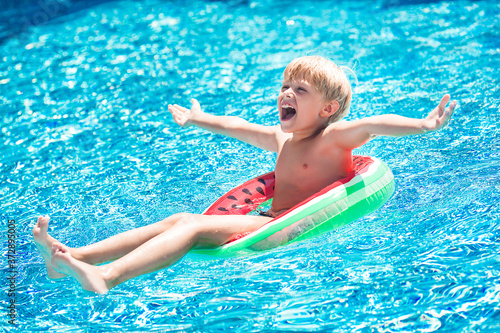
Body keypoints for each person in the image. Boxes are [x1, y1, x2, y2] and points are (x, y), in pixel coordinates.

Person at [33, 56, 456, 294]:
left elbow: (377, 124)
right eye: (285, 86)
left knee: (193, 226)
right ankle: (75, 258)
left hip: (280, 225)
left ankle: (107, 276)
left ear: (327, 110)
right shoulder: (282, 138)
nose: (286, 93)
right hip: (270, 217)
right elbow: (236, 126)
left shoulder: (334, 137)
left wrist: (423, 125)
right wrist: (201, 120)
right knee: (179, 220)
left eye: (300, 90)